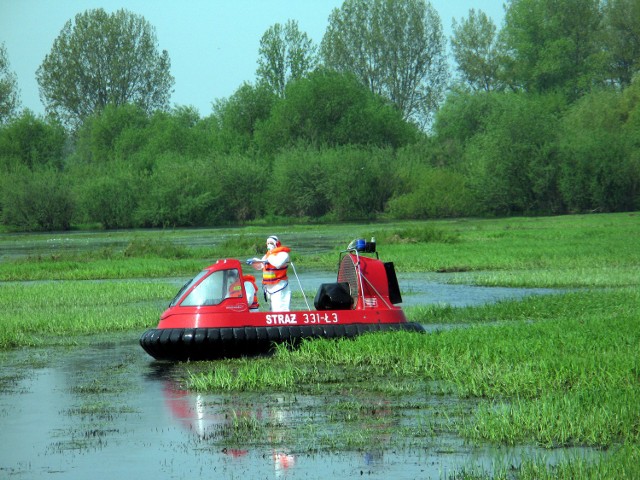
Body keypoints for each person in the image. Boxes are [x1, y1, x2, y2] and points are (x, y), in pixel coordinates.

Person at [247, 235, 291, 311]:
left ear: (277, 243)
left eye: (271, 243)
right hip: (269, 287)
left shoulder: (283, 254)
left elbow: (277, 263)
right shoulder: (267, 255)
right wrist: (254, 262)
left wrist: (270, 255)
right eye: (268, 243)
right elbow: (260, 265)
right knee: (273, 309)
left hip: (280, 286)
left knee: (280, 309)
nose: (269, 245)